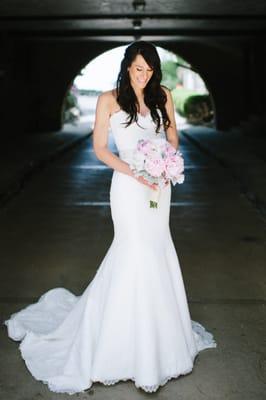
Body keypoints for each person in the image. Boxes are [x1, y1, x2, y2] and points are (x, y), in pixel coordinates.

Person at [3, 41, 217, 394]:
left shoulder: (161, 94)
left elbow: (173, 133)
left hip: (159, 187)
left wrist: (167, 158)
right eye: (138, 70)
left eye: (149, 70)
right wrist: (135, 171)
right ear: (126, 67)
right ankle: (123, 343)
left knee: (158, 249)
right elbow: (100, 149)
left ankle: (160, 338)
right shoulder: (108, 99)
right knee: (133, 251)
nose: (144, 76)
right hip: (128, 185)